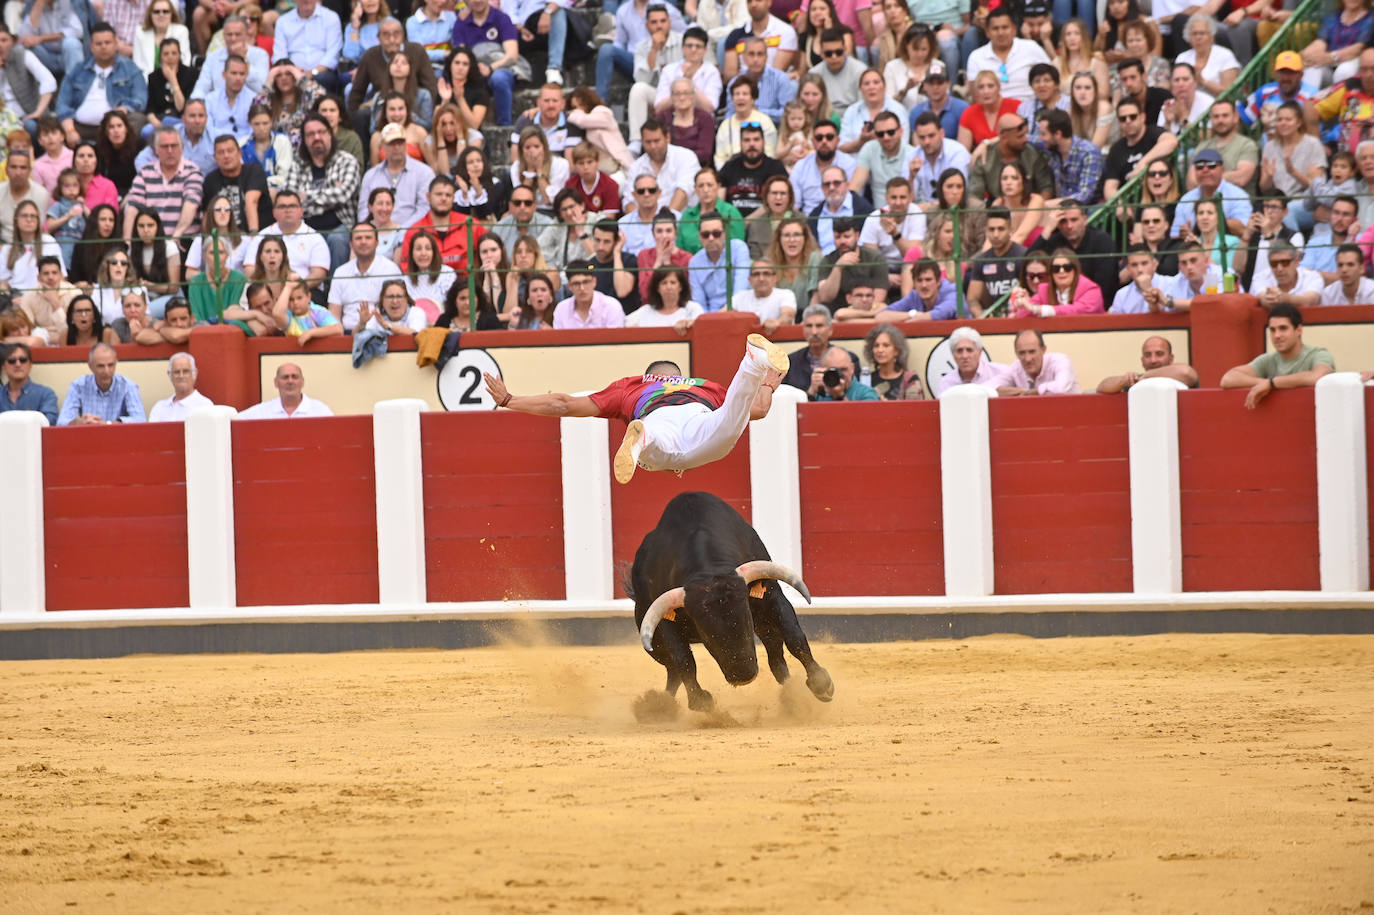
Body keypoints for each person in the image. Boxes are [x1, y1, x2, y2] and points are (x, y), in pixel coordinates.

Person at [485, 332, 785, 485]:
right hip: (701, 418)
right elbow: (755, 409)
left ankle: (639, 439)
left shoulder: (630, 385)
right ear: (679, 376)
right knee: (731, 415)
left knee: (655, 445)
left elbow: (562, 403)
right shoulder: (702, 385)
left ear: (649, 374)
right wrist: (768, 384)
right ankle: (752, 363)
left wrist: (510, 400)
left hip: (656, 420)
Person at [1220, 303, 1335, 410]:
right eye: (1272, 330)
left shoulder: (1319, 354)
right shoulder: (1267, 360)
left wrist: (1271, 383)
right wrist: (1264, 382)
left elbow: (1318, 377)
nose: (1277, 335)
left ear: (1298, 330)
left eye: (1283, 328)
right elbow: (1228, 379)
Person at [56, 22, 148, 146]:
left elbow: (140, 98)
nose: (103, 47)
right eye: (99, 44)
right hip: (81, 127)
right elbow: (63, 103)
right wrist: (70, 129)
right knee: (52, 127)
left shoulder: (130, 68)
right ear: (91, 46)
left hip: (115, 128)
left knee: (139, 119)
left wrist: (121, 111)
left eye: (107, 42)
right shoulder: (78, 70)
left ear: (116, 44)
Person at [123, 126, 202, 245]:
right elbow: (133, 207)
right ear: (156, 150)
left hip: (183, 240)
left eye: (174, 146)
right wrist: (127, 242)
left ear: (182, 148)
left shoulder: (192, 171)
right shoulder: (145, 172)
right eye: (165, 146)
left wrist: (176, 236)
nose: (170, 150)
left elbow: (191, 204)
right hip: (151, 241)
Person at [1034, 200, 1119, 304]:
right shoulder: (1055, 241)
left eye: (1074, 220)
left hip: (1096, 306)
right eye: (1063, 221)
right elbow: (1028, 265)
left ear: (1085, 220)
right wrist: (1048, 229)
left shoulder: (1102, 241)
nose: (1069, 226)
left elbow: (1105, 285)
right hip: (1059, 306)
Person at [243, 191, 331, 290]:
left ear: (301, 211)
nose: (288, 210)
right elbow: (249, 269)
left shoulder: (315, 238)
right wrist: (272, 288)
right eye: (282, 206)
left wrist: (295, 289)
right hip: (268, 291)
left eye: (292, 206)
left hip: (305, 292)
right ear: (274, 212)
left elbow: (318, 274)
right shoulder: (261, 237)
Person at [965, 9, 1051, 105]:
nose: (1001, 33)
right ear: (987, 32)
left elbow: (1051, 77)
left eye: (1005, 27)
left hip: (1031, 111)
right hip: (993, 113)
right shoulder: (976, 57)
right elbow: (976, 97)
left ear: (1014, 30)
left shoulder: (1031, 47)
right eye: (995, 28)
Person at [1101, 96, 1177, 202]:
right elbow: (1110, 187)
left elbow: (1171, 142)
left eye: (1132, 117)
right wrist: (1119, 205)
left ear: (1142, 117)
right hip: (1131, 205)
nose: (1128, 121)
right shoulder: (1116, 149)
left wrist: (1143, 163)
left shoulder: (1153, 133)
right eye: (1123, 119)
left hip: (1159, 199)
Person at [328, 221, 401, 332]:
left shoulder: (390, 269)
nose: (363, 242)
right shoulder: (341, 272)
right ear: (351, 244)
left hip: (382, 333)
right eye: (358, 238)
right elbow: (334, 314)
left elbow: (399, 310)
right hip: (348, 335)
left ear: (377, 243)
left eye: (368, 237)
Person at [968, 112, 1053, 206]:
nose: (1025, 139)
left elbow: (1046, 189)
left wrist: (1033, 208)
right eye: (1020, 136)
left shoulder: (1032, 153)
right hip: (996, 210)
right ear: (1004, 136)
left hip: (1030, 208)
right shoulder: (985, 158)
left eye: (1025, 135)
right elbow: (975, 195)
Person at [58, 342, 147, 425]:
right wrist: (80, 422)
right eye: (101, 366)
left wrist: (108, 424)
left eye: (111, 365)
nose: (106, 371)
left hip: (119, 438)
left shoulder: (128, 386)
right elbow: (61, 423)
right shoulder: (78, 386)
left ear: (116, 363)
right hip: (87, 437)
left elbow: (141, 420)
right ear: (91, 366)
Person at [782, 303, 859, 393]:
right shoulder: (789, 363)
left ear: (830, 330)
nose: (814, 332)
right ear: (803, 330)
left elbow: (856, 395)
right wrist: (810, 392)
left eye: (819, 326)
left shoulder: (849, 359)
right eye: (809, 326)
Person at [1241, 51, 1320, 138]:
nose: (1285, 78)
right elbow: (1245, 118)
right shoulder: (1265, 92)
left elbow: (1317, 130)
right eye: (1282, 72)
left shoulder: (1312, 95)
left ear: (1301, 75)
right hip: (1268, 149)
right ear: (1276, 74)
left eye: (1291, 73)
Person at [716, 123, 788, 219]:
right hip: (732, 224)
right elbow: (720, 203)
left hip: (764, 224)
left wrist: (745, 222)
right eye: (747, 140)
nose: (752, 144)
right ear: (740, 143)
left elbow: (778, 202)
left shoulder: (775, 168)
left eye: (756, 139)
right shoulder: (730, 167)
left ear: (763, 142)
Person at [0, 25, 58, 143]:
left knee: (30, 126)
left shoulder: (23, 56)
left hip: (27, 117)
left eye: (4, 40)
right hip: (4, 118)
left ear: (13, 41)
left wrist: (38, 112)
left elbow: (49, 81)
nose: (0, 45)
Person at [1034, 109, 1103, 207]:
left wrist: (1045, 205)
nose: (1041, 138)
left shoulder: (1088, 152)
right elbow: (1030, 140)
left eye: (1043, 134)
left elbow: (1084, 196)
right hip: (1059, 209)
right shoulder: (1051, 146)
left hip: (1087, 211)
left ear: (1058, 134)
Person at [1188, 99, 1259, 195]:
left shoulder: (1247, 145)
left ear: (1235, 117)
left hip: (1238, 205)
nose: (1220, 120)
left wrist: (1205, 179)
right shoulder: (1202, 146)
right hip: (1205, 206)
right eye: (1216, 116)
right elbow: (1191, 183)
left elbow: (1241, 178)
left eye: (1225, 116)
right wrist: (1224, 177)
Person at [273, 0, 344, 93]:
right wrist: (295, 71)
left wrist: (313, 72)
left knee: (325, 78)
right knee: (281, 78)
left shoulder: (331, 17)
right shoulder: (282, 22)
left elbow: (333, 53)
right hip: (292, 72)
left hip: (322, 73)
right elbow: (279, 55)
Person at [966, 207, 1026, 316]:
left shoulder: (1023, 256)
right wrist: (984, 317)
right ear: (986, 230)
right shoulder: (981, 260)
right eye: (991, 229)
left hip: (1021, 317)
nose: (996, 235)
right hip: (993, 320)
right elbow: (972, 299)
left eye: (1001, 229)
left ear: (1011, 229)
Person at [192, 15, 268, 98]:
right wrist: (196, 104)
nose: (233, 39)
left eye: (237, 34)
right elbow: (201, 88)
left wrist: (244, 59)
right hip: (218, 106)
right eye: (229, 34)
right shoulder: (213, 57)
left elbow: (262, 88)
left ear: (245, 35)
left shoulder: (260, 55)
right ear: (223, 35)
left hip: (251, 106)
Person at [688, 212, 751, 313]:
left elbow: (740, 292)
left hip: (738, 312)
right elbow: (699, 304)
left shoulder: (739, 248)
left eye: (716, 233)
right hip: (709, 319)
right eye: (705, 234)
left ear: (725, 233)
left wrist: (719, 317)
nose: (711, 238)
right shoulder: (694, 262)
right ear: (700, 236)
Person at [1011, 248, 1104, 316]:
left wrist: (1039, 309)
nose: (1061, 271)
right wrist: (1024, 303)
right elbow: (1023, 316)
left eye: (1067, 267)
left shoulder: (1091, 289)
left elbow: (1079, 310)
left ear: (1076, 270)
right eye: (1056, 268)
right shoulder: (1044, 290)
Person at [790, 119, 854, 214]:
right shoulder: (800, 167)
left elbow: (852, 198)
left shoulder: (849, 164)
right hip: (808, 222)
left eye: (829, 137)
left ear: (838, 141)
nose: (824, 141)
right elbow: (794, 205)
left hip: (843, 220)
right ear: (813, 142)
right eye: (819, 138)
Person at [1095, 335, 1199, 393]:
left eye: (1159, 354)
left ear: (1171, 358)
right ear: (1142, 360)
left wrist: (1147, 376)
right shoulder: (1137, 380)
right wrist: (1123, 381)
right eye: (1148, 355)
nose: (1153, 360)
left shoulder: (1179, 376)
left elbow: (1186, 372)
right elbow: (1102, 387)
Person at [997, 328, 1080, 396]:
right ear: (1016, 353)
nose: (1028, 359)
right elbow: (987, 389)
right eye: (1022, 353)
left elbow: (1060, 388)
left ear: (1043, 350)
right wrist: (1023, 391)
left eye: (1032, 352)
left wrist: (1033, 391)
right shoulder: (1016, 367)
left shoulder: (1060, 361)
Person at [238, 361, 334, 418]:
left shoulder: (321, 411)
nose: (290, 381)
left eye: (295, 377)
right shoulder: (261, 412)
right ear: (276, 382)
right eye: (285, 377)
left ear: (302, 382)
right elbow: (234, 420)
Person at [625, 264, 702, 333]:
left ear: (681, 287)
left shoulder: (692, 308)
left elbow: (702, 327)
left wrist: (690, 324)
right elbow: (623, 325)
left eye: (673, 282)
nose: (669, 287)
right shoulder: (646, 310)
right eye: (664, 283)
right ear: (657, 288)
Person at [807, 30, 867, 118]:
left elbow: (863, 105)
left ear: (845, 50)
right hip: (824, 118)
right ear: (821, 53)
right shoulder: (814, 73)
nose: (834, 57)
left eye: (839, 52)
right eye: (828, 53)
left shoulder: (860, 70)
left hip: (853, 117)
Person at [1147, 243, 1222, 313]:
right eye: (1184, 263)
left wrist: (1168, 302)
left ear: (1206, 261)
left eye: (1193, 260)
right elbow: (1162, 309)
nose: (1189, 267)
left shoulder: (1214, 274)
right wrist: (1153, 302)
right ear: (1179, 266)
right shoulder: (1178, 280)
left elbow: (1209, 304)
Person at [958, 69, 1021, 152]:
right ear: (976, 91)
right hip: (984, 162)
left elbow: (1023, 135)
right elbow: (962, 152)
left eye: (990, 86)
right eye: (981, 87)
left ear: (998, 88)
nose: (986, 91)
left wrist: (987, 143)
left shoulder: (1016, 106)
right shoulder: (969, 113)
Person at [552, 260, 625, 329]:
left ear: (594, 282)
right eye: (576, 284)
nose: (582, 288)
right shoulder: (561, 309)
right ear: (569, 286)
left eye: (586, 282)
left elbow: (616, 340)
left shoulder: (611, 306)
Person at [1303, 196, 1361, 282]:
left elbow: (1357, 278)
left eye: (1346, 214)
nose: (1339, 219)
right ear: (1330, 215)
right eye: (1336, 213)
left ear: (1354, 220)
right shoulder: (1315, 243)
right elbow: (1304, 275)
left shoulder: (1362, 241)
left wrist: (1317, 274)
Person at [936, 325, 1005, 396]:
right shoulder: (946, 383)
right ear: (953, 354)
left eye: (969, 350)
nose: (964, 356)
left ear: (980, 352)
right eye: (959, 351)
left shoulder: (1000, 373)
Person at [732, 258, 796, 333]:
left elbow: (788, 316)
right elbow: (721, 316)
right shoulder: (740, 296)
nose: (761, 278)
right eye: (756, 274)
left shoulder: (785, 294)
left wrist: (777, 322)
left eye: (766, 274)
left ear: (775, 278)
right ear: (749, 279)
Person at [878, 258, 954, 321]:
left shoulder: (951, 291)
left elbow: (943, 312)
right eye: (919, 280)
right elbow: (881, 317)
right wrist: (912, 314)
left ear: (938, 282)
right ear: (914, 283)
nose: (924, 285)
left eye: (928, 280)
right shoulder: (914, 296)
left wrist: (920, 318)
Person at [861, 322, 923, 400]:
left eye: (886, 345)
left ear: (896, 350)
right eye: (876, 346)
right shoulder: (868, 378)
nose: (880, 350)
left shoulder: (909, 379)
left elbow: (915, 410)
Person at [0, 148, 49, 244]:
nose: (18, 173)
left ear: (30, 171)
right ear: (6, 170)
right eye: (13, 167)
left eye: (23, 168)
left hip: (31, 245)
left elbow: (38, 229)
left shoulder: (41, 194)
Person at [273, 277, 343, 344]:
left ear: (309, 297)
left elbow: (338, 329)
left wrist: (311, 333)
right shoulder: (288, 315)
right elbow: (277, 313)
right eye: (291, 299)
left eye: (299, 298)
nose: (295, 302)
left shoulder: (317, 311)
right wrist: (288, 287)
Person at [148, 352, 215, 421]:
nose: (181, 376)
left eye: (186, 371)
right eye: (177, 372)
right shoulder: (159, 408)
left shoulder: (205, 406)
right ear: (169, 375)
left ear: (195, 373)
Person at [0, 342, 57, 423]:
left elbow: (49, 422)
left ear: (30, 365)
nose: (18, 364)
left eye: (23, 360)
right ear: (4, 368)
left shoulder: (45, 394)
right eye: (12, 361)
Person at [1109, 244, 1169, 314]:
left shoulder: (1170, 284)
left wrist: (1148, 288)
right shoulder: (1121, 295)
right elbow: (1117, 323)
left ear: (1154, 265)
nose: (1140, 269)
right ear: (1128, 269)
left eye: (1144, 263)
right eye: (1134, 265)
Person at [1159, 62, 1213, 135]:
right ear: (1171, 85)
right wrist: (1167, 123)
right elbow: (1162, 141)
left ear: (1195, 82)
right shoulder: (1168, 106)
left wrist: (1183, 120)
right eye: (1176, 80)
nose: (1180, 84)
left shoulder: (1208, 103)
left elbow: (1208, 137)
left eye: (1185, 79)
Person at [813, 344, 879, 402]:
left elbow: (862, 416)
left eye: (843, 369)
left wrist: (840, 396)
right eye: (834, 370)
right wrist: (811, 392)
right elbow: (804, 414)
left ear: (852, 368)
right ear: (823, 370)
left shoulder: (867, 393)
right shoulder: (820, 393)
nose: (839, 374)